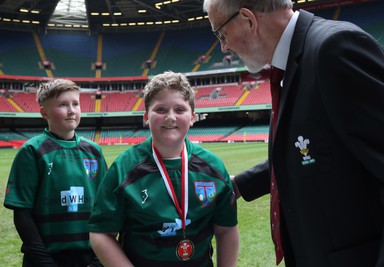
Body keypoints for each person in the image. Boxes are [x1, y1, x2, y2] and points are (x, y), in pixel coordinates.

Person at [203, 0, 384, 267]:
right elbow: (315, 146)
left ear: (249, 20)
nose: (224, 47)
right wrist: (239, 185)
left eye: (222, 34)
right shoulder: (291, 64)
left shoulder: (334, 49)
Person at [88, 71, 239, 267]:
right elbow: (101, 233)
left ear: (192, 117)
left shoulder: (214, 167)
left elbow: (226, 230)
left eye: (179, 109)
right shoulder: (124, 167)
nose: (170, 117)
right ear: (146, 117)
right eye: (160, 109)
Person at [3, 79, 108, 267]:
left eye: (75, 103)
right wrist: (45, 262)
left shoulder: (94, 151)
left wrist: (99, 259)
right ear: (44, 112)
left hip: (89, 258)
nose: (71, 110)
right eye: (62, 104)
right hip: (46, 259)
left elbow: (105, 208)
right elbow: (22, 214)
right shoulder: (32, 151)